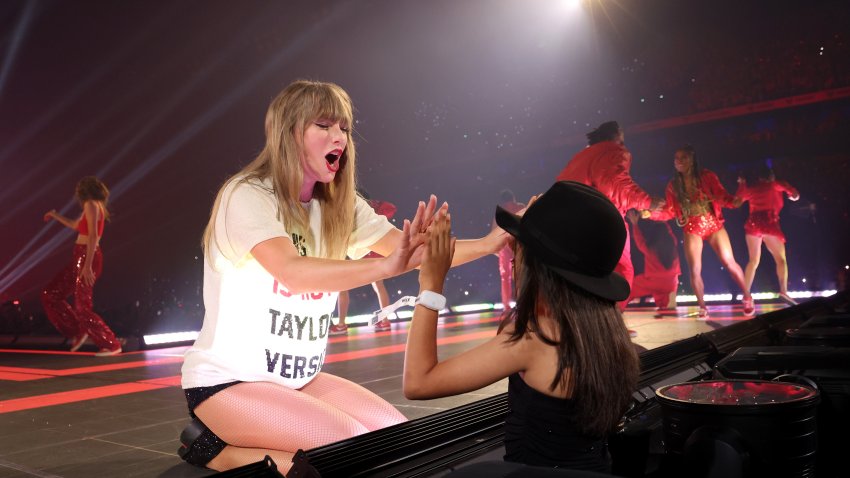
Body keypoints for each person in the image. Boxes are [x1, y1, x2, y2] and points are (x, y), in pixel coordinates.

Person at [178, 80, 505, 473]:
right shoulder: (246, 194)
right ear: (289, 132)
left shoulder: (340, 205)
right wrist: (387, 264)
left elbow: (414, 253)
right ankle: (212, 448)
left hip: (300, 381)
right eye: (325, 126)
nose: (340, 138)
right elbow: (293, 272)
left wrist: (491, 244)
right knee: (347, 458)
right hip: (228, 384)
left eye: (344, 129)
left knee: (400, 441)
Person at [404, 181, 640, 473]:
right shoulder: (607, 332)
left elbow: (418, 382)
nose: (513, 253)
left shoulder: (535, 339)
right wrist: (537, 225)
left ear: (539, 266)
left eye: (519, 246)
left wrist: (430, 283)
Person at [556, 121, 664, 336]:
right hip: (599, 218)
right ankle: (611, 326)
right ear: (615, 136)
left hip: (567, 220)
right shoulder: (613, 150)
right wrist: (647, 201)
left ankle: (582, 327)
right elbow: (615, 183)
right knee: (623, 271)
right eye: (622, 137)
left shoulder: (581, 156)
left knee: (586, 275)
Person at [651, 145, 753, 318]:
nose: (679, 161)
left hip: (714, 225)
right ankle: (702, 306)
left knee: (729, 262)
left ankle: (747, 296)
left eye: (683, 157)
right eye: (676, 158)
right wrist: (650, 213)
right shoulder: (673, 185)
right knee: (695, 270)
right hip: (692, 228)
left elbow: (721, 196)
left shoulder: (707, 176)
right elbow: (670, 211)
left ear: (692, 159)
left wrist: (733, 200)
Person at [41, 176, 122, 356]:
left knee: (82, 307)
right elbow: (75, 225)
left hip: (87, 257)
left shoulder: (91, 205)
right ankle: (78, 330)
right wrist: (55, 215)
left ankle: (112, 344)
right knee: (50, 294)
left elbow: (93, 236)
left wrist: (86, 266)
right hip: (81, 256)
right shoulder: (93, 206)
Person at [330, 194, 397, 335]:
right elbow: (391, 209)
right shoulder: (371, 206)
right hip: (372, 249)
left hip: (356, 248)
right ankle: (385, 321)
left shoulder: (350, 204)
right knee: (378, 286)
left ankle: (341, 324)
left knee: (342, 286)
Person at [736, 165, 800, 305]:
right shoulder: (775, 185)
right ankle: (783, 291)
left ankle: (746, 295)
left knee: (753, 261)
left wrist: (741, 183)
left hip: (753, 224)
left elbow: (738, 199)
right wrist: (793, 196)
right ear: (771, 176)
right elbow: (794, 194)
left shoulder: (752, 189)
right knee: (781, 260)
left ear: (759, 178)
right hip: (769, 223)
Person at [625, 210, 680, 315]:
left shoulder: (650, 249)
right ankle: (666, 301)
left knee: (628, 288)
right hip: (671, 283)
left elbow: (639, 241)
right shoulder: (673, 245)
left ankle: (617, 305)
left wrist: (635, 224)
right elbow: (669, 232)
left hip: (653, 281)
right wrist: (663, 219)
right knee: (661, 296)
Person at [492, 189, 525, 312]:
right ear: (514, 198)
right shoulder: (521, 207)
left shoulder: (500, 211)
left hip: (504, 246)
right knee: (520, 276)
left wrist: (496, 250)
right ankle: (523, 302)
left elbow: (494, 231)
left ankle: (506, 307)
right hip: (519, 245)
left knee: (505, 278)